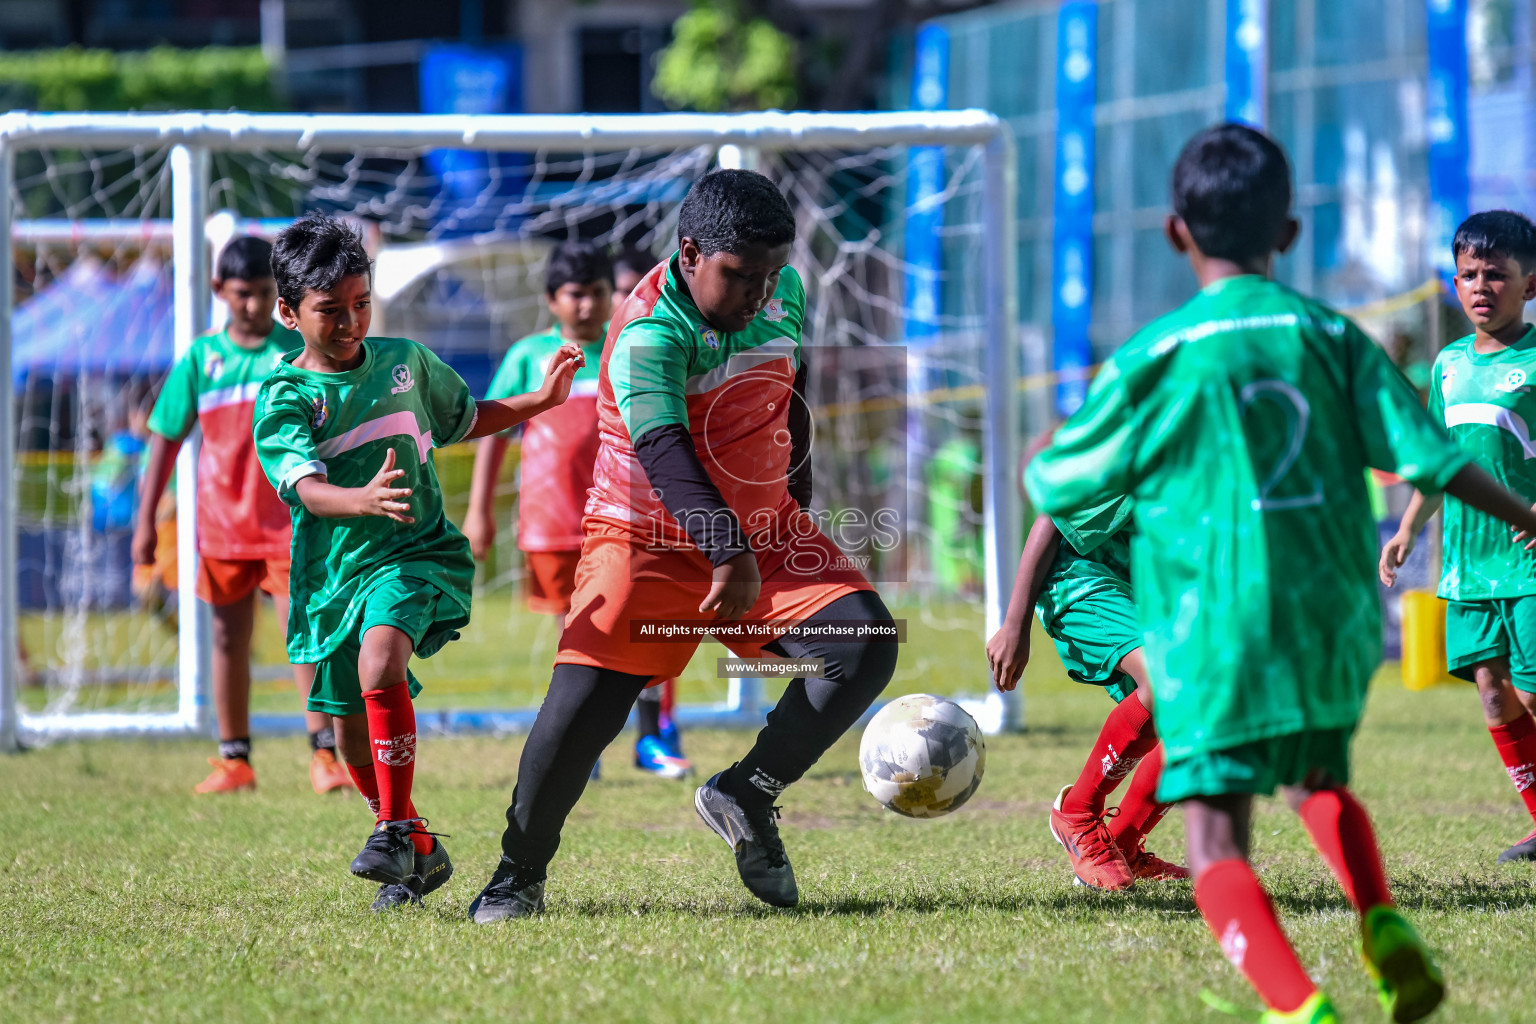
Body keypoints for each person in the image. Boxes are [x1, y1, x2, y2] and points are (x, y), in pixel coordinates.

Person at [1026, 123, 1536, 1024]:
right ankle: (1381, 922)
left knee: (1217, 835)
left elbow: (1055, 478)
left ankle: (1299, 1005)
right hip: (1325, 615)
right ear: (1291, 234)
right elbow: (1434, 459)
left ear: (1176, 232)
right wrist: (1530, 516)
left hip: (1210, 619)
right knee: (1318, 786)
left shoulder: (1156, 355)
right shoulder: (1330, 336)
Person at [467, 169, 897, 923]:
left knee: (862, 643)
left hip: (761, 532)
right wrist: (728, 551)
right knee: (580, 717)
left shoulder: (782, 291)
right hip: (643, 537)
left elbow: (790, 389)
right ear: (690, 253)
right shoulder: (647, 334)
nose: (760, 294)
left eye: (769, 275)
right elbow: (664, 454)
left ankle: (744, 792)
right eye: (740, 276)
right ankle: (516, 875)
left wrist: (792, 495)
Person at [251, 213, 583, 911]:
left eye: (361, 304)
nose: (350, 323)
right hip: (333, 578)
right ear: (288, 313)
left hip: (415, 553)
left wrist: (538, 401)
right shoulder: (286, 397)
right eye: (330, 311)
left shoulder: (405, 362)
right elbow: (303, 487)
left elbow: (465, 417)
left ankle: (397, 827)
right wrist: (357, 496)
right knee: (348, 736)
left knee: (380, 664)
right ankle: (420, 852)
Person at [462, 241, 690, 779]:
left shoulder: (629, 345)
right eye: (575, 295)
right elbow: (492, 434)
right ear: (551, 300)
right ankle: (581, 745)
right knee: (581, 630)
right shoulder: (527, 357)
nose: (587, 306)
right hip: (552, 523)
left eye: (596, 293)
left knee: (649, 619)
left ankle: (653, 735)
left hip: (629, 515)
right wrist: (478, 511)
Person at [133, 236, 349, 796]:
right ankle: (235, 759)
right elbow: (163, 440)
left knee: (303, 636)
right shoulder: (202, 360)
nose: (251, 306)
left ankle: (325, 755)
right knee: (228, 641)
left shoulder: (295, 351)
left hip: (291, 525)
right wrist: (144, 525)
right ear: (218, 291)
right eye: (240, 295)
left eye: (261, 294)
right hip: (222, 528)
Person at [1381, 209, 1536, 866]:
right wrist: (1409, 529)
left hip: (1529, 559)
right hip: (1469, 564)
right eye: (1468, 274)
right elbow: (1437, 463)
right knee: (1493, 693)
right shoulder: (1447, 365)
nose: (1480, 287)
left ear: (1529, 284)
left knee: (1531, 694)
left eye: (1495, 275)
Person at [987, 498, 1186, 891]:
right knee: (1167, 682)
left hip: (1147, 590)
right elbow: (1056, 509)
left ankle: (1124, 844)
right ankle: (1077, 813)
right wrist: (1015, 623)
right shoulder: (1150, 438)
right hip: (1079, 580)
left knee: (1215, 707)